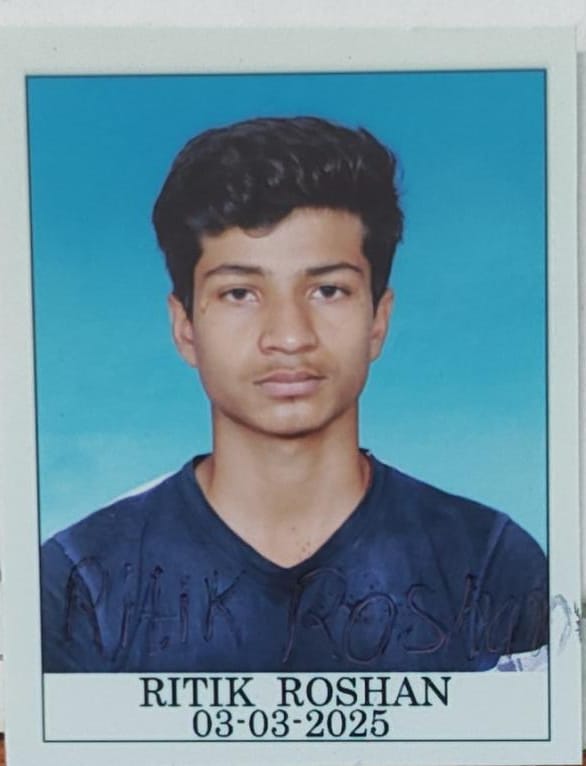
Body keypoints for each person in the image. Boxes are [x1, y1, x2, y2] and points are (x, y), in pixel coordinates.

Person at [40, 116, 548, 673]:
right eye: (240, 293)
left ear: (378, 320)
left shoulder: (491, 563)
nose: (288, 336)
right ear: (184, 326)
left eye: (328, 290)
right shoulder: (81, 582)